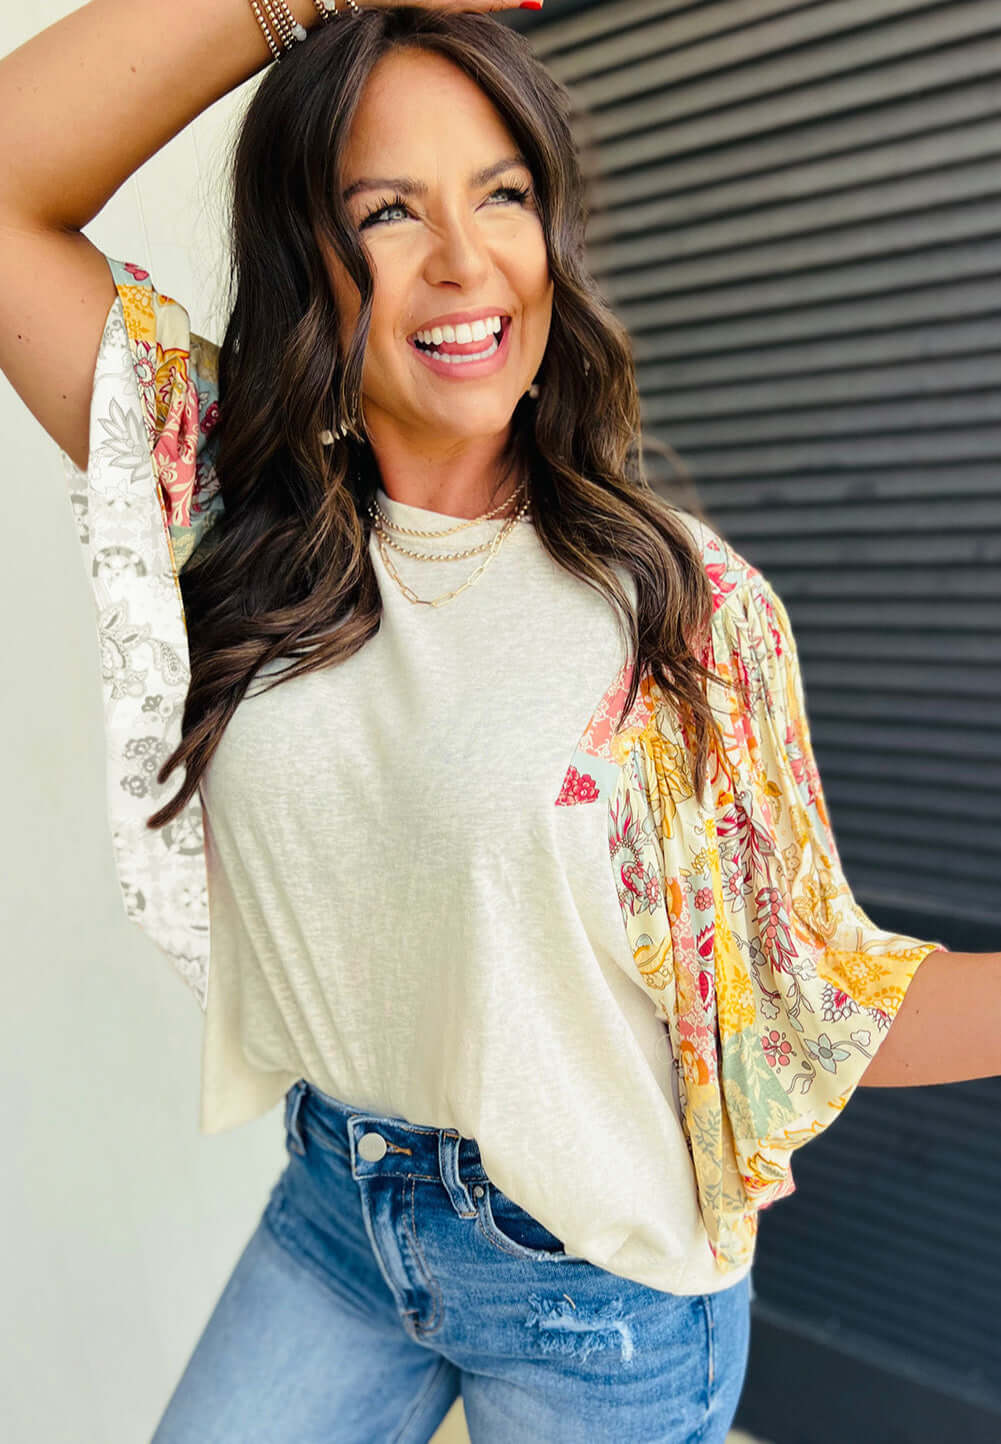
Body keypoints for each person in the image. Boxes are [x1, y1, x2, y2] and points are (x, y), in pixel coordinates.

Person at [1, 2, 998, 1441]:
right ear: (311, 268)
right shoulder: (226, 498)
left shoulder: (679, 607)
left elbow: (816, 999)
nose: (465, 262)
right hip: (340, 1217)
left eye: (503, 194)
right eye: (388, 209)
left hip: (592, 1282)